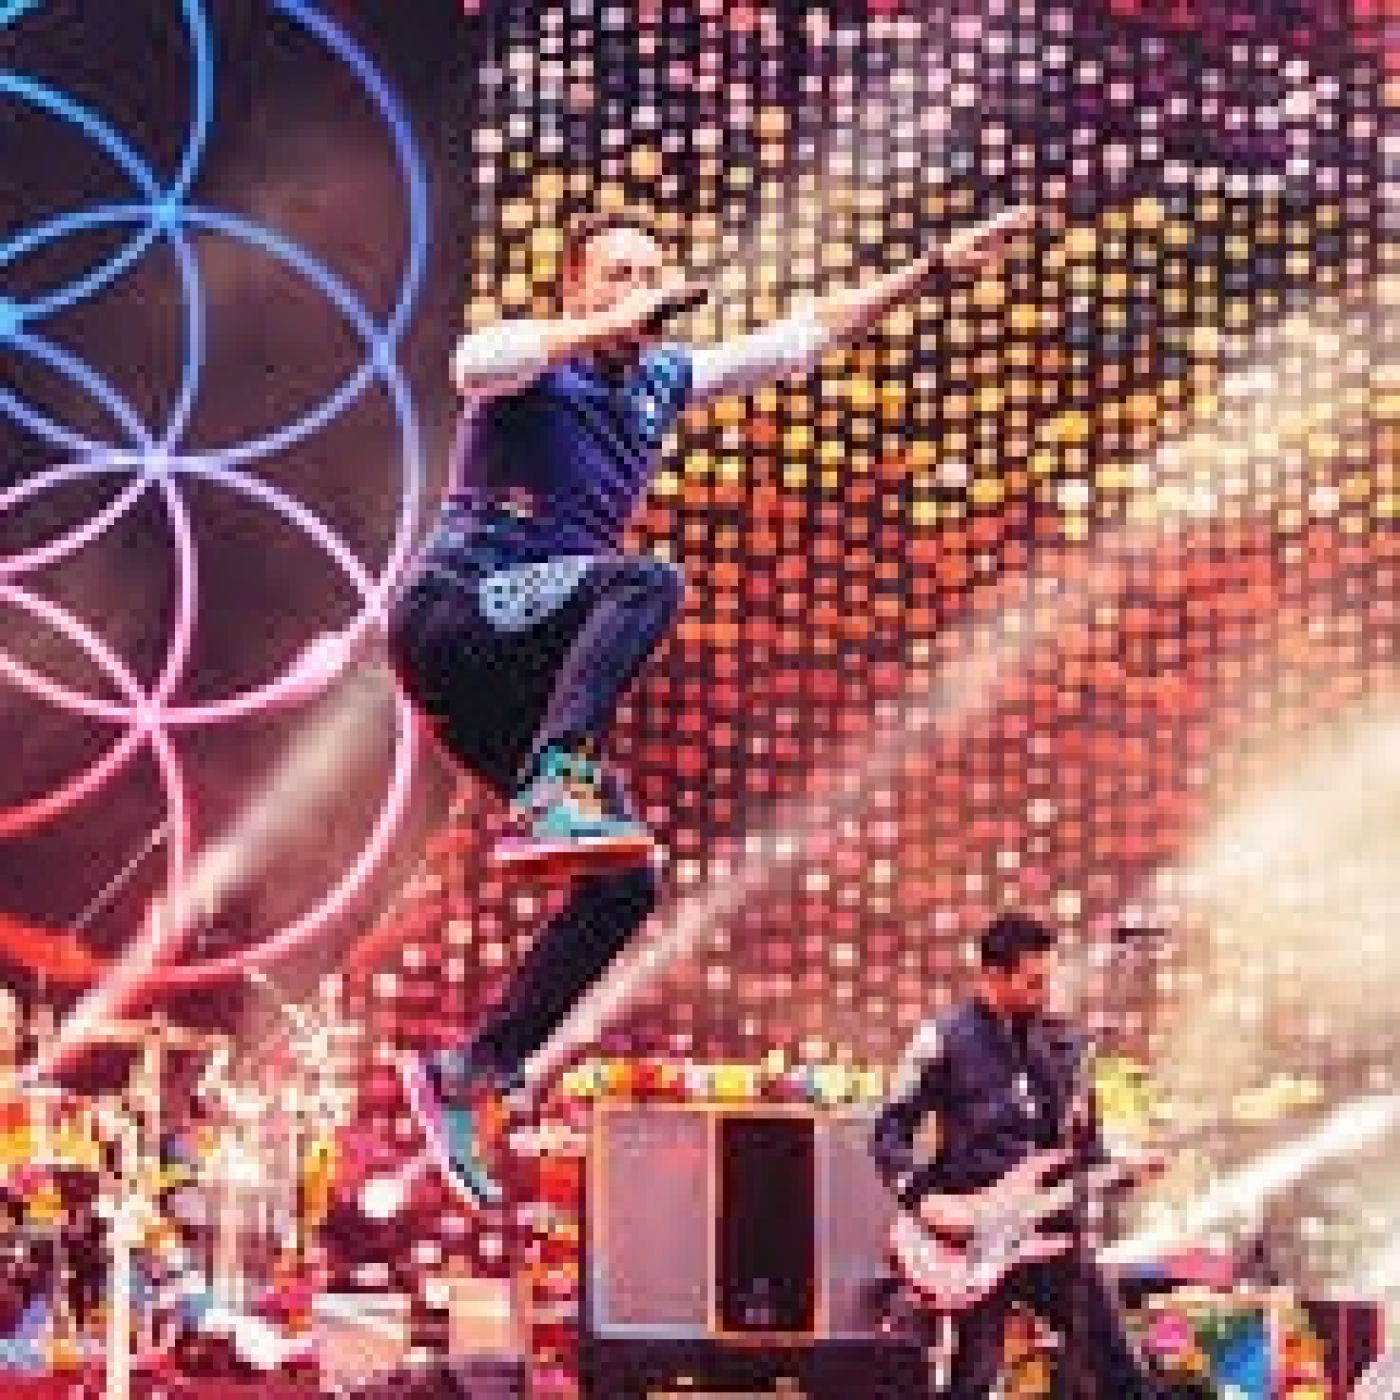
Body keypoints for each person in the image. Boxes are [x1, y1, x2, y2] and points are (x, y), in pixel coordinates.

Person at [389, 203, 1033, 1207]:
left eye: (652, 274)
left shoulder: (664, 380)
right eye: (617, 274)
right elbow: (475, 361)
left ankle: (474, 1067)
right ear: (575, 289)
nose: (639, 290)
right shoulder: (532, 366)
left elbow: (803, 336)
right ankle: (556, 781)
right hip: (460, 614)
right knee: (645, 581)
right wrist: (598, 327)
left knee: (624, 883)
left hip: (511, 677)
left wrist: (932, 270)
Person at [869, 912, 1157, 1399]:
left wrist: (1121, 1169)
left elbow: (1084, 1152)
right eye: (1032, 982)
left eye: (1047, 979)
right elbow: (889, 1131)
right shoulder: (943, 1038)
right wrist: (924, 1199)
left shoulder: (1062, 1045)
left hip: (1050, 1236)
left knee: (1120, 1373)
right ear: (992, 975)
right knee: (972, 1381)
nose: (1043, 993)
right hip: (974, 1241)